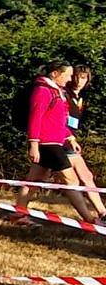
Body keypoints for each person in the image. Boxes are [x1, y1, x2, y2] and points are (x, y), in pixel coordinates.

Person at [14, 61, 101, 224]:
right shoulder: (43, 91)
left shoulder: (56, 91)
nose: (70, 79)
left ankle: (19, 213)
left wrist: (70, 137)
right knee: (71, 180)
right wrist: (34, 145)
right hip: (48, 144)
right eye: (67, 75)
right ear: (55, 74)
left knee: (34, 180)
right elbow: (36, 118)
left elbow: (58, 121)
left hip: (55, 141)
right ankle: (90, 219)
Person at [64, 66, 106, 219]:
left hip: (69, 140)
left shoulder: (79, 98)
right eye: (77, 77)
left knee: (86, 176)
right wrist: (70, 138)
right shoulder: (65, 95)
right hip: (61, 140)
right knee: (70, 181)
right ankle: (90, 218)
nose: (79, 81)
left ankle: (102, 212)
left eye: (83, 78)